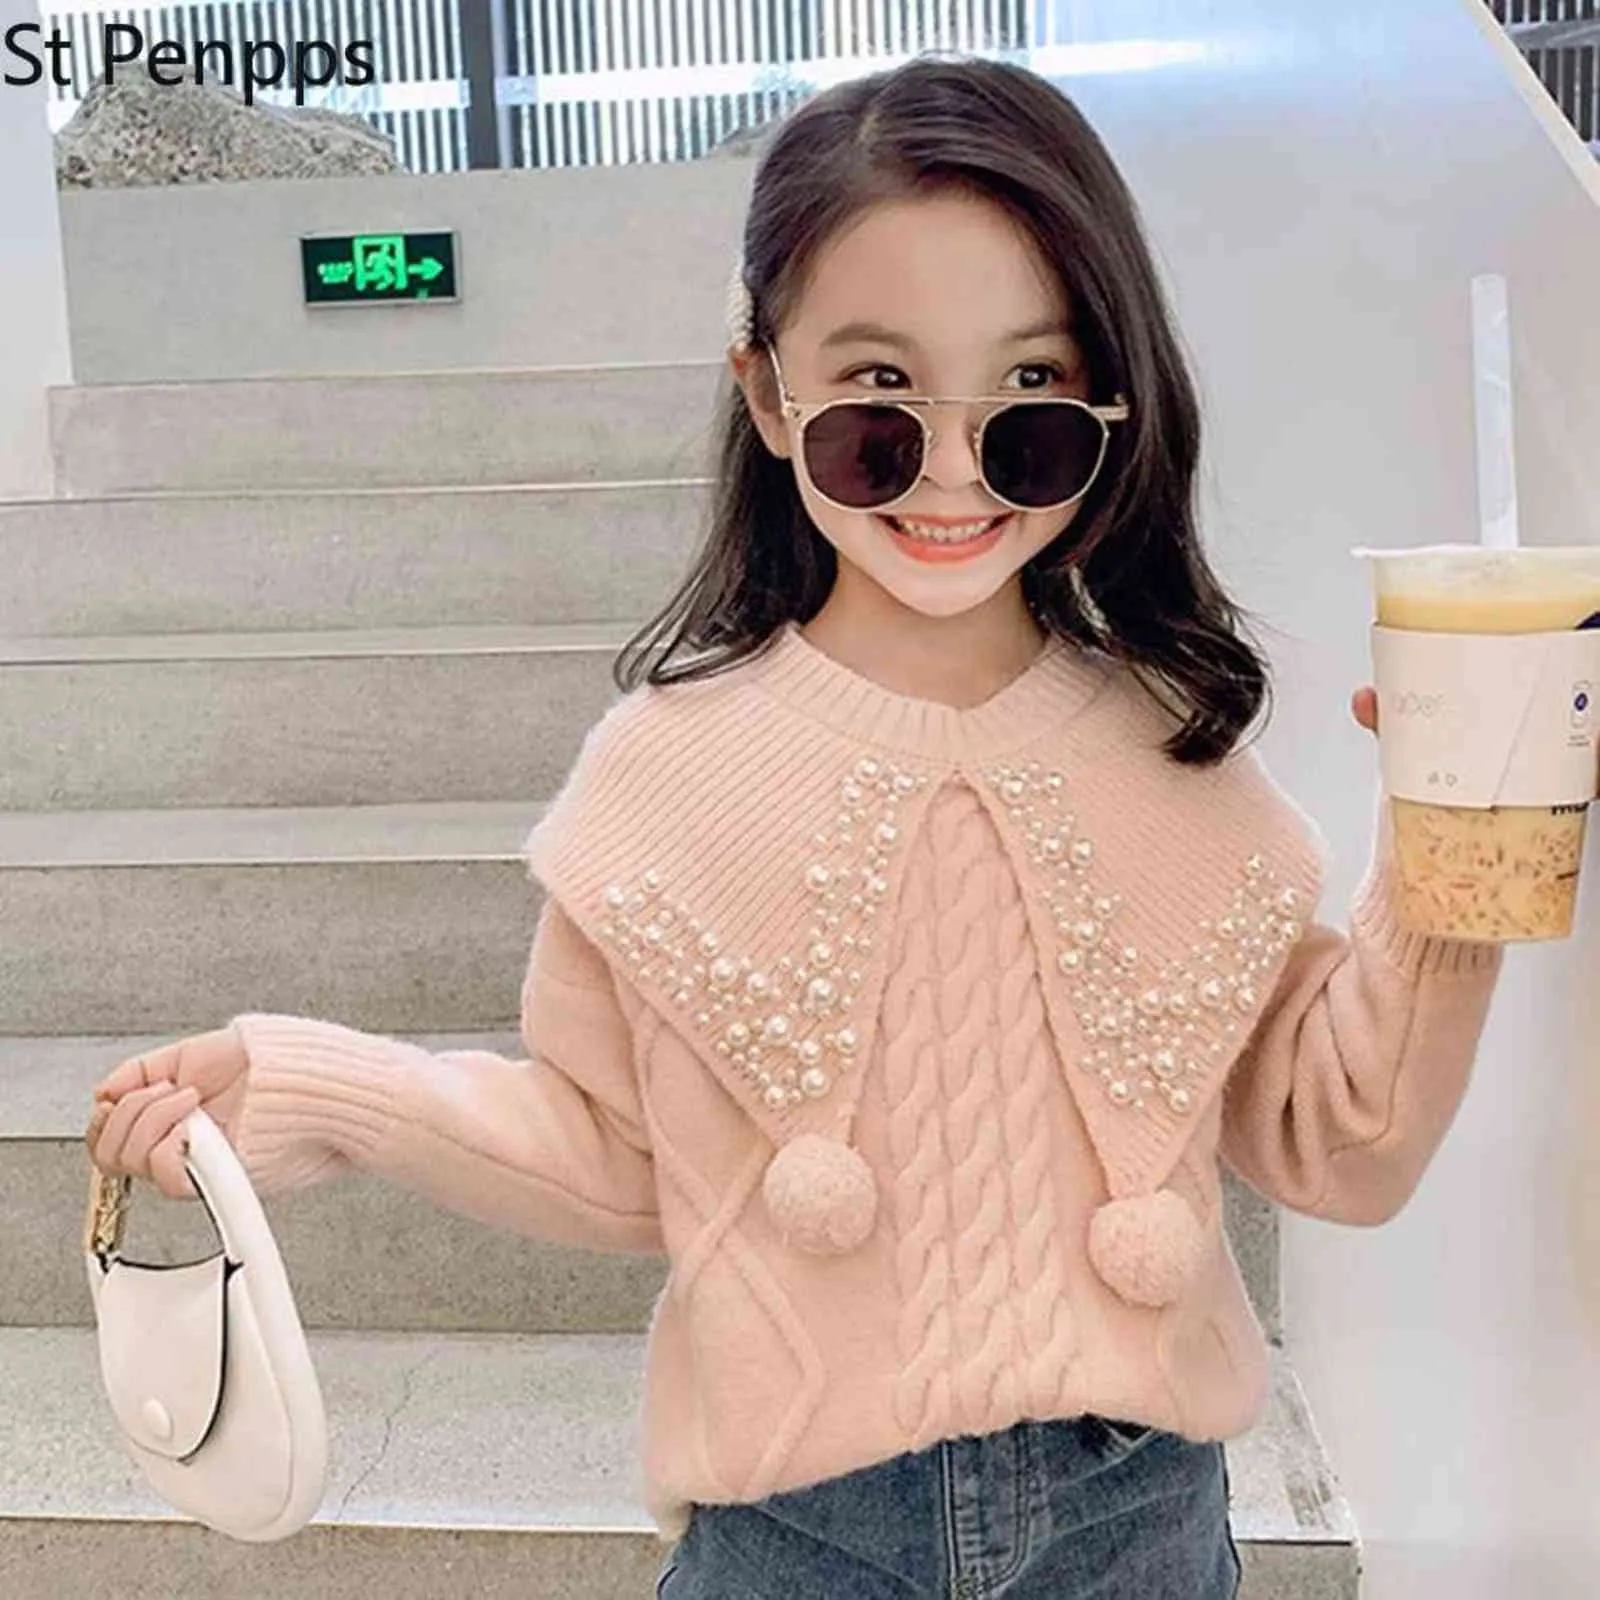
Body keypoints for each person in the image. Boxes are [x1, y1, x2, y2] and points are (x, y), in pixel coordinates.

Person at [85, 55, 1506, 1600]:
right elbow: (618, 1155)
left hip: (1137, 1529)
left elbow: (1345, 1145)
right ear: (769, 392)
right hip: (795, 1539)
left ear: (1113, 400)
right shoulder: (667, 773)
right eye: (878, 400)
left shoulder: (1170, 749)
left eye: (1030, 400)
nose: (952, 471)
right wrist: (325, 1087)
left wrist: (1462, 842)